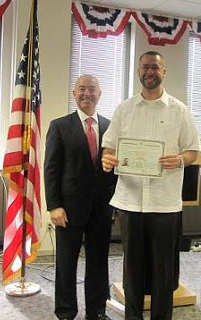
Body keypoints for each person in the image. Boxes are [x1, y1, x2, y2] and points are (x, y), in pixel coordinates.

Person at [101, 51, 199, 320]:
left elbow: (193, 151)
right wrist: (107, 159)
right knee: (132, 268)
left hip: (165, 203)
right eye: (145, 67)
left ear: (163, 71)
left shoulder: (180, 111)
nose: (149, 72)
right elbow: (109, 146)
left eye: (154, 67)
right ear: (138, 72)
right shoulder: (124, 109)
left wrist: (179, 160)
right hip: (130, 200)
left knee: (163, 270)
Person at [44, 75, 116, 320]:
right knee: (66, 263)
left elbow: (115, 170)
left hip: (102, 209)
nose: (87, 93)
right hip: (69, 209)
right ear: (74, 94)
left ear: (100, 93)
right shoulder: (59, 126)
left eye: (92, 89)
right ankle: (65, 311)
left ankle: (97, 311)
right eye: (82, 89)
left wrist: (115, 204)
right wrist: (54, 205)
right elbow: (51, 169)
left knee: (99, 262)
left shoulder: (111, 127)